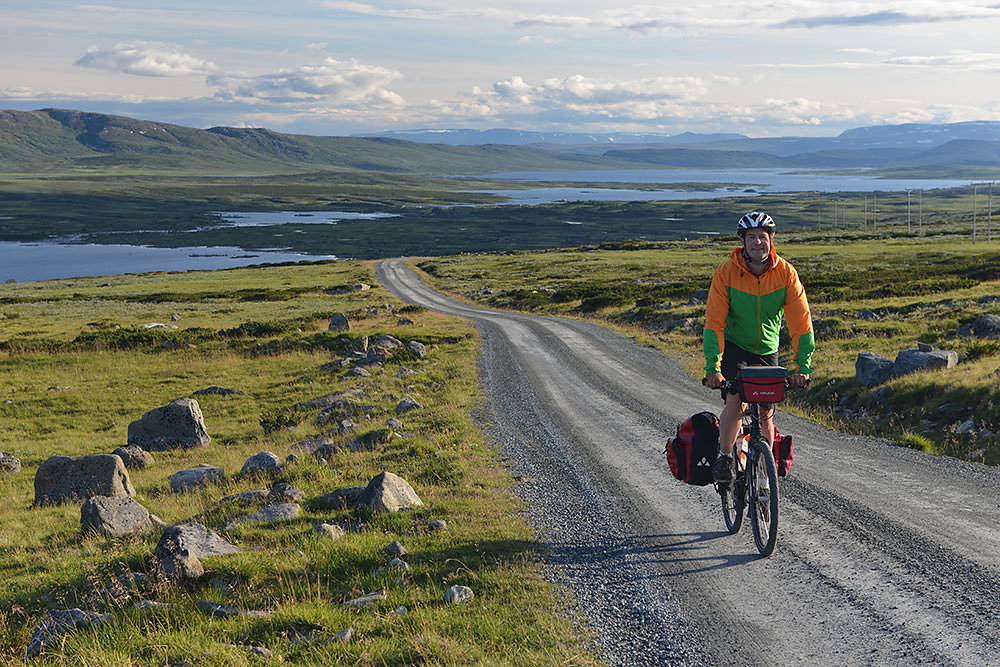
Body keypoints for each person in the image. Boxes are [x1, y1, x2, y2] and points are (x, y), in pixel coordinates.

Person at [702, 211, 814, 482]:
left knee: (765, 411)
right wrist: (713, 367)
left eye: (762, 237)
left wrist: (802, 366)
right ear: (742, 241)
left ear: (771, 239)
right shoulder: (726, 273)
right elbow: (714, 323)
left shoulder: (786, 273)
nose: (757, 243)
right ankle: (725, 458)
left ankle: (765, 476)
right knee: (736, 399)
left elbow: (801, 322)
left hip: (766, 350)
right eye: (751, 237)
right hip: (735, 347)